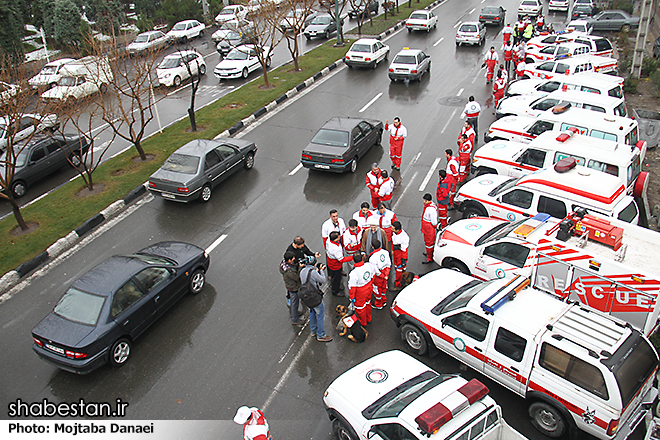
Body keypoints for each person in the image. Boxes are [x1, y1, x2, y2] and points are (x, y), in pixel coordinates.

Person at [300, 259, 332, 341]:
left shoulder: (302, 271)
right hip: (314, 297)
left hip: (307, 297)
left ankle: (313, 331)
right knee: (320, 315)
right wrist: (321, 270)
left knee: (312, 312)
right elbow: (323, 280)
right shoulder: (313, 272)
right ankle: (321, 334)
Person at [348, 253, 376, 326]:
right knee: (368, 303)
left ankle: (363, 322)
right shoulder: (369, 265)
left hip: (360, 293)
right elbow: (373, 276)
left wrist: (352, 297)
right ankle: (369, 318)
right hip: (369, 288)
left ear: (353, 260)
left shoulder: (354, 273)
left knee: (360, 308)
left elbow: (352, 287)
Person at [279, 251, 305, 325]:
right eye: (293, 258)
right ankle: (295, 319)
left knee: (295, 302)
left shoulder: (284, 264)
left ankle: (295, 313)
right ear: (289, 260)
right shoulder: (289, 271)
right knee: (295, 303)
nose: (294, 259)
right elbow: (296, 277)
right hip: (293, 287)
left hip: (290, 286)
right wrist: (300, 268)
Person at [326, 231, 352, 297]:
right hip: (335, 265)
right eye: (338, 237)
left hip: (331, 263)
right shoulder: (335, 248)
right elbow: (341, 259)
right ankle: (335, 291)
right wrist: (352, 257)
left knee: (335, 277)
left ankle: (336, 287)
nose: (340, 237)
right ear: (335, 239)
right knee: (336, 278)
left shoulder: (329, 241)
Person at [369, 239, 391, 309]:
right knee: (384, 288)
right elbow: (388, 264)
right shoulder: (385, 252)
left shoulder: (372, 257)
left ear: (372, 246)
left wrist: (382, 276)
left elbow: (375, 270)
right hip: (385, 273)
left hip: (378, 277)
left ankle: (378, 304)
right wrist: (386, 275)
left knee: (377, 290)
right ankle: (384, 301)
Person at [391, 221, 409, 289]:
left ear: (397, 229)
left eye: (393, 228)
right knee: (397, 269)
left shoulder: (404, 237)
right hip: (396, 254)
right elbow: (394, 241)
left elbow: (404, 250)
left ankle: (398, 284)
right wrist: (393, 249)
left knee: (399, 270)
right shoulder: (395, 233)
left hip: (400, 255)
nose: (392, 229)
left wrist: (403, 261)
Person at [421, 193, 438, 264]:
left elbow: (434, 221)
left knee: (429, 244)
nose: (424, 202)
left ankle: (430, 258)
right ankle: (428, 253)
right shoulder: (428, 207)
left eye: (425, 200)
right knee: (427, 243)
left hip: (429, 229)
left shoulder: (431, 209)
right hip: (426, 229)